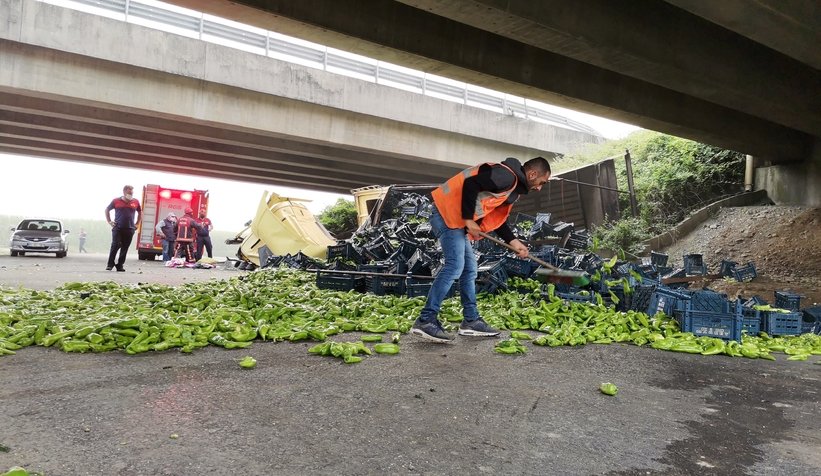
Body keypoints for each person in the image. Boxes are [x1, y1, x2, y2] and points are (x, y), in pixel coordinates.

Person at [411, 157, 551, 343]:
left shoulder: (511, 187)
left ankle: (471, 321)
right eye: (542, 182)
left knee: (469, 269)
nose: (539, 188)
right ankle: (426, 320)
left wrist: (513, 241)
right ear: (532, 174)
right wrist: (469, 219)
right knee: (455, 266)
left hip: (455, 218)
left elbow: (496, 218)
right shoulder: (507, 176)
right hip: (447, 214)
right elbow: (471, 184)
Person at [104, 185, 142, 272]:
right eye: (129, 192)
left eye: (132, 193)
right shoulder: (116, 201)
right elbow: (107, 209)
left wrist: (137, 223)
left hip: (130, 228)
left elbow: (140, 212)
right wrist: (109, 221)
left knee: (125, 247)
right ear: (124, 192)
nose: (130, 194)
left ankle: (120, 265)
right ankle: (110, 264)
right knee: (115, 245)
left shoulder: (135, 201)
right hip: (118, 227)